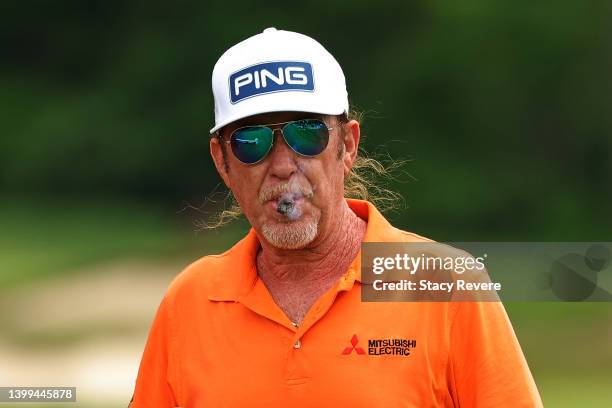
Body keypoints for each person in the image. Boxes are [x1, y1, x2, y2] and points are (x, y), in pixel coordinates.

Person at [129, 28, 543, 407]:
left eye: (306, 133)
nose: (282, 166)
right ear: (222, 162)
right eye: (251, 142)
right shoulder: (189, 304)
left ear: (347, 145)